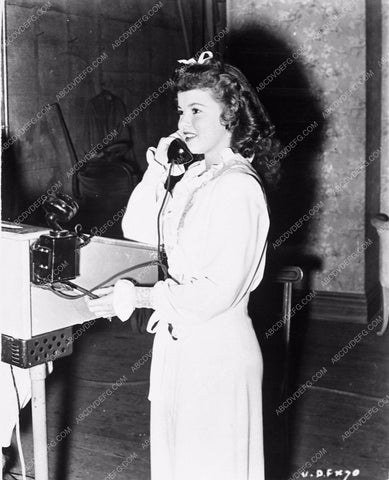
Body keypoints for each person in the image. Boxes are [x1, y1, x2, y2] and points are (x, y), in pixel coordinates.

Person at [86, 51, 280, 480]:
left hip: (218, 352)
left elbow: (215, 293)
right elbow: (139, 229)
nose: (183, 123)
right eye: (180, 111)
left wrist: (138, 296)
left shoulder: (238, 187)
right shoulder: (195, 177)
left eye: (196, 110)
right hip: (179, 346)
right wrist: (156, 173)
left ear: (230, 115)